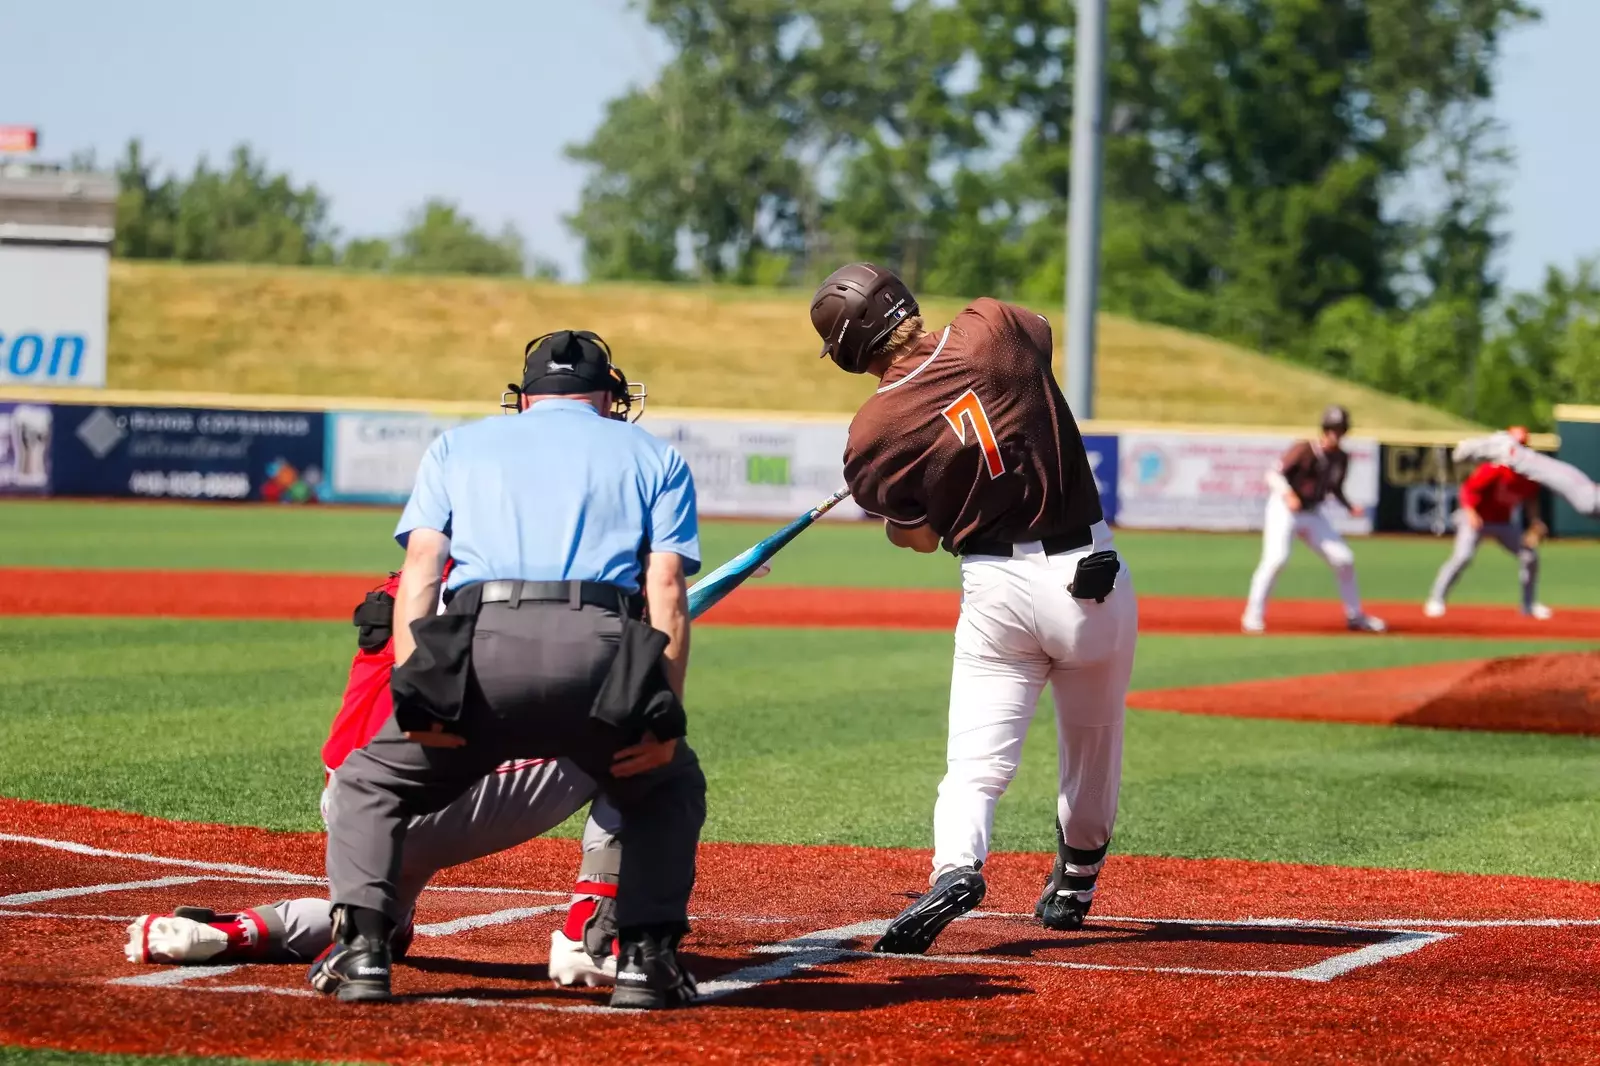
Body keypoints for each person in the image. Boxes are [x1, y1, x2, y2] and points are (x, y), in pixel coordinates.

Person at [313, 329, 706, 1010]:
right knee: (665, 782)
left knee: (366, 782)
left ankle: (361, 955)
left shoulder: (457, 445)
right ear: (609, 396)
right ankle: (643, 961)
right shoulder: (654, 454)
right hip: (601, 651)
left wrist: (419, 695)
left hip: (481, 649)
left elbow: (421, 576)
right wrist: (663, 717)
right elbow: (666, 590)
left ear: (525, 397)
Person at [810, 263, 1138, 955]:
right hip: (1089, 574)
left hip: (994, 586)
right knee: (1092, 742)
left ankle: (957, 865)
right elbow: (1037, 344)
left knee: (974, 764)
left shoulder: (872, 433)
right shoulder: (992, 326)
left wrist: (906, 510)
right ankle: (1076, 882)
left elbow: (920, 537)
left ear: (848, 351)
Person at [123, 566, 624, 990]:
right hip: (430, 794)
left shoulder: (417, 579)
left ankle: (230, 932)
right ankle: (592, 931)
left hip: (351, 801)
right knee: (636, 743)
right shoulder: (504, 580)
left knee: (381, 928)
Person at [1242, 405, 1386, 634]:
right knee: (1276, 559)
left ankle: (1355, 616)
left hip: (1312, 513)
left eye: (1340, 429)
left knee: (1344, 559)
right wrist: (1288, 494)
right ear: (1324, 428)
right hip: (1284, 509)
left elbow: (1335, 488)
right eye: (1332, 428)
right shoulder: (1305, 448)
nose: (1335, 433)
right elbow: (1273, 474)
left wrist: (1349, 507)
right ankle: (1252, 615)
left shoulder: (1341, 457)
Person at [1425, 426, 1551, 620]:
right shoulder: (1495, 469)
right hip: (1477, 519)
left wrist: (1535, 521)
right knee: (1462, 557)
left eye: (1522, 446)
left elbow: (1531, 499)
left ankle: (1528, 605)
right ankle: (1436, 599)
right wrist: (1471, 513)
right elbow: (1467, 490)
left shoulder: (1528, 473)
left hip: (1503, 522)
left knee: (1530, 557)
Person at [1454, 430, 1600, 517]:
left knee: (1580, 489)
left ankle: (1510, 451)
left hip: (1591, 499)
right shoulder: (1494, 469)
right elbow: (1470, 488)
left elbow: (1532, 498)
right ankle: (1510, 451)